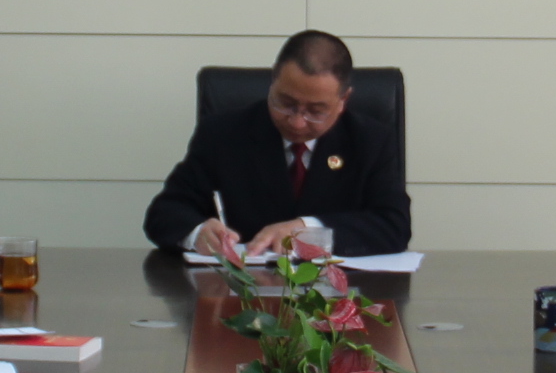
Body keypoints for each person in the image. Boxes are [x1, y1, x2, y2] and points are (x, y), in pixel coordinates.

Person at [143, 29, 411, 261]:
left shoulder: (370, 141)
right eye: (286, 103)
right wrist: (197, 233)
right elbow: (165, 212)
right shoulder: (223, 134)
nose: (297, 122)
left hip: (339, 294)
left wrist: (308, 231)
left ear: (343, 100)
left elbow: (394, 226)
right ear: (273, 82)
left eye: (316, 111)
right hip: (242, 291)